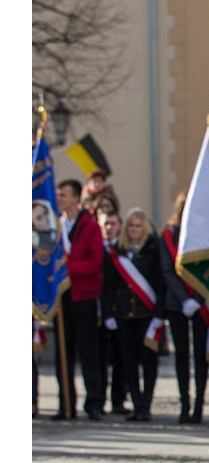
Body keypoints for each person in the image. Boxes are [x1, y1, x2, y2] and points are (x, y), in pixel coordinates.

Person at [102, 207, 164, 422]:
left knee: (148, 361)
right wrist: (108, 312)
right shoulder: (117, 252)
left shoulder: (153, 250)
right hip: (123, 314)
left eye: (139, 226)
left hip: (147, 315)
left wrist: (159, 314)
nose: (135, 230)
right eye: (131, 226)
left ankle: (146, 403)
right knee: (128, 361)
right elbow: (109, 285)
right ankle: (136, 402)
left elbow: (159, 283)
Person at [53, 179, 105, 420]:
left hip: (83, 297)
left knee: (88, 354)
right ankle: (66, 403)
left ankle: (94, 402)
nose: (59, 198)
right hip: (61, 299)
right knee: (63, 354)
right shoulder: (54, 226)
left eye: (64, 195)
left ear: (75, 198)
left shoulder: (90, 226)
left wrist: (67, 267)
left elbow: (95, 264)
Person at [160, 192, 209, 424]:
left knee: (201, 356)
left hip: (201, 304)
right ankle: (185, 404)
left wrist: (199, 299)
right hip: (177, 304)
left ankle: (199, 406)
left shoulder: (208, 236)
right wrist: (184, 300)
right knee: (181, 355)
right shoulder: (169, 236)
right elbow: (167, 271)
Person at [97, 210, 128, 415]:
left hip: (120, 311)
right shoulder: (98, 248)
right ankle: (98, 400)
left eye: (113, 224)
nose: (109, 228)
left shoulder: (123, 250)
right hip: (99, 311)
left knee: (121, 359)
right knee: (99, 358)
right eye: (105, 224)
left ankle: (118, 400)